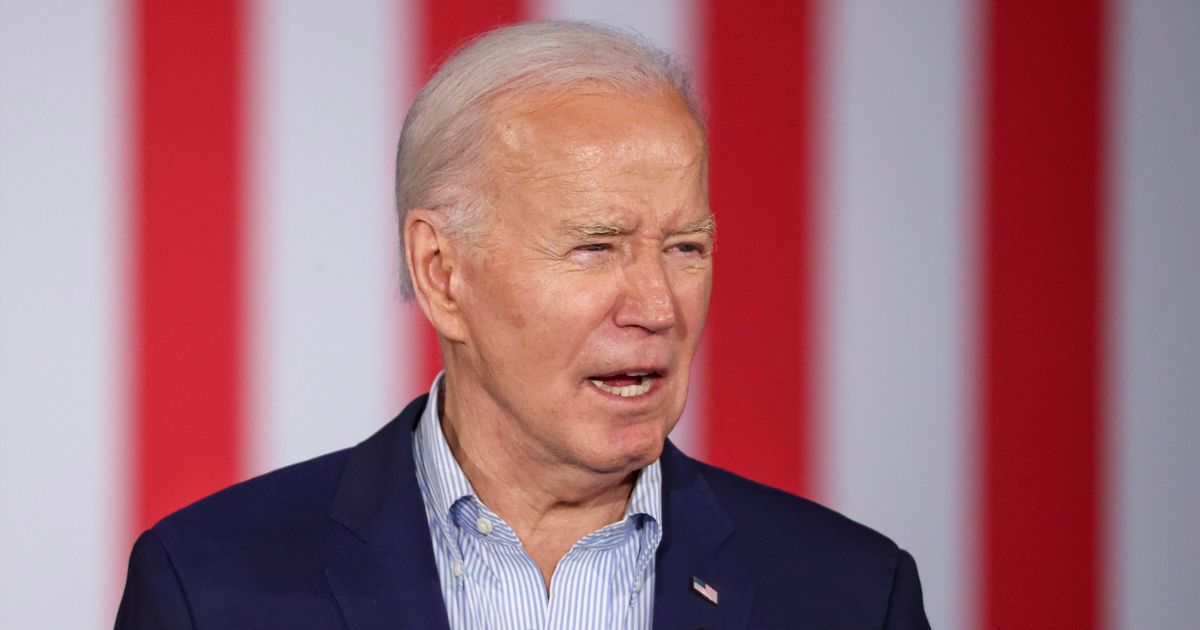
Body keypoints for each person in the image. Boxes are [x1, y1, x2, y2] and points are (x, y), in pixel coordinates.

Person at [115, 21, 929, 629]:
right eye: (594, 247)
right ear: (442, 272)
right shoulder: (208, 586)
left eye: (685, 246)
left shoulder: (853, 595)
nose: (657, 306)